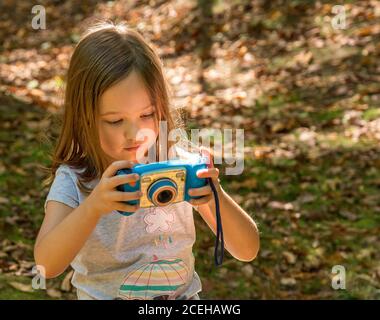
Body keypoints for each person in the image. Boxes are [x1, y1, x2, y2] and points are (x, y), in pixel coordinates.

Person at [34, 22, 260, 300]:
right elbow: (46, 264)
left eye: (147, 115)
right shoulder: (77, 179)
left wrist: (215, 196)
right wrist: (94, 207)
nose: (134, 133)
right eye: (115, 120)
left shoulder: (179, 166)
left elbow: (247, 250)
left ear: (162, 107)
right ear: (85, 118)